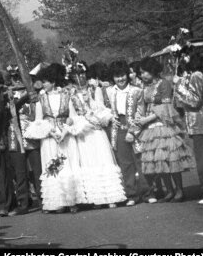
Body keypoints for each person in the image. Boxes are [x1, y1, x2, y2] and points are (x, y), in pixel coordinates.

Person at [24, 63, 85, 213]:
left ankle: (72, 201)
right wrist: (51, 132)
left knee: (69, 165)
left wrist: (65, 132)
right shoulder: (41, 99)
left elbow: (73, 116)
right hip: (50, 136)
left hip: (65, 134)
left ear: (53, 81)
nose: (42, 84)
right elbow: (39, 121)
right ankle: (58, 202)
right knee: (53, 166)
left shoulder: (66, 96)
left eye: (45, 81)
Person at [66, 61, 126, 208]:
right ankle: (96, 198)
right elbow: (72, 114)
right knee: (89, 163)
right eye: (75, 74)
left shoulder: (95, 89)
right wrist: (74, 122)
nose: (79, 77)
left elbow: (102, 109)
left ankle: (111, 197)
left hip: (97, 130)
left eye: (81, 73)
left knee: (103, 160)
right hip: (84, 133)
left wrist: (90, 101)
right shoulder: (71, 93)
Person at [137, 57, 194, 202]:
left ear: (154, 71)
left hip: (164, 124)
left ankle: (179, 190)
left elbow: (166, 108)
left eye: (146, 72)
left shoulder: (164, 84)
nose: (143, 75)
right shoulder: (144, 85)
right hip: (150, 127)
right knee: (158, 160)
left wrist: (147, 119)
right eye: (141, 72)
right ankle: (169, 191)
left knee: (170, 158)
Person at [108, 60, 154, 206]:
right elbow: (107, 109)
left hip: (135, 128)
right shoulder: (110, 91)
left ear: (127, 75)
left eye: (122, 75)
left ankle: (148, 193)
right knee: (125, 164)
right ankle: (132, 195)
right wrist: (111, 118)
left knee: (140, 161)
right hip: (118, 130)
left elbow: (140, 112)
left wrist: (133, 132)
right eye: (116, 76)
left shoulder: (136, 91)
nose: (120, 79)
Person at [174, 50, 203, 204]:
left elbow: (194, 101)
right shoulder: (198, 76)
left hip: (202, 122)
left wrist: (179, 86)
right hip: (200, 122)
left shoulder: (196, 75)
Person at [6, 71, 42, 216]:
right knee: (20, 173)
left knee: (38, 170)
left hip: (33, 134)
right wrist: (24, 97)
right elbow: (10, 109)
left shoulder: (35, 92)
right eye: (14, 78)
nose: (17, 81)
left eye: (19, 78)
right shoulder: (7, 93)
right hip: (15, 135)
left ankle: (43, 199)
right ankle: (23, 203)